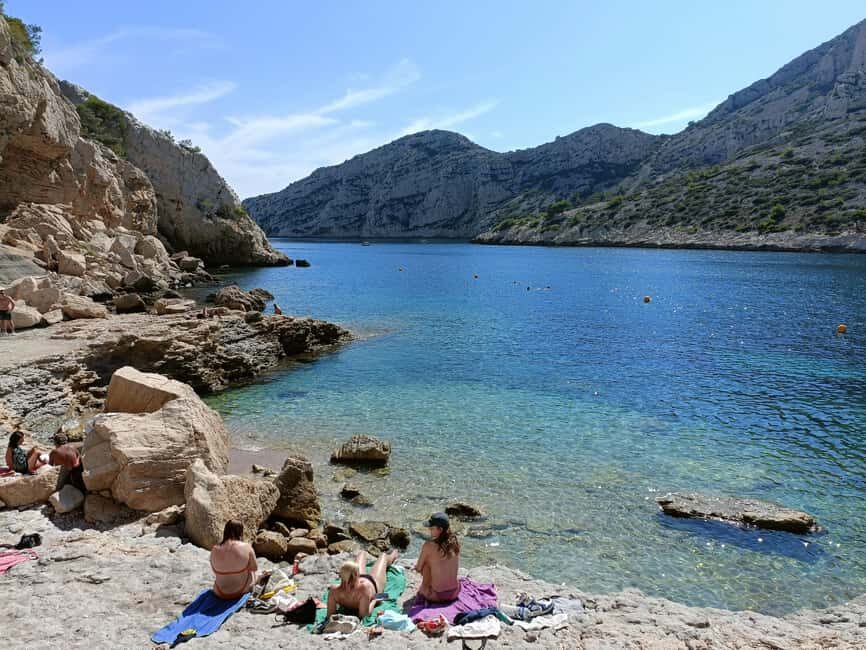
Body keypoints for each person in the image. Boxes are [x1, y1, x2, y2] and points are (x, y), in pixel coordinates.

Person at [326, 549, 399, 620]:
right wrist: (374, 601)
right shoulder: (363, 589)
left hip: (362, 581)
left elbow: (330, 615)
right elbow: (364, 615)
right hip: (373, 582)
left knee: (361, 553)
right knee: (384, 556)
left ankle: (365, 550)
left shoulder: (334, 590)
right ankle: (396, 551)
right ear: (356, 575)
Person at [415, 512, 461, 602]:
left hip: (438, 596)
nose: (429, 529)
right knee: (437, 562)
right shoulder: (455, 542)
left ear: (440, 529)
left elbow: (419, 568)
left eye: (431, 528)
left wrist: (420, 567)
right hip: (455, 592)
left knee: (426, 564)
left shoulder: (429, 545)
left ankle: (424, 588)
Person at [210, 520, 258, 600]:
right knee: (252, 572)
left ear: (225, 531)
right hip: (241, 591)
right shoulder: (246, 547)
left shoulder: (215, 549)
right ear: (240, 532)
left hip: (219, 592)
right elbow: (254, 568)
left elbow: (214, 571)